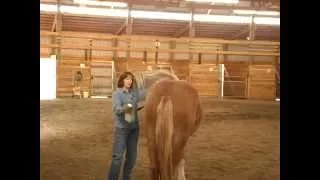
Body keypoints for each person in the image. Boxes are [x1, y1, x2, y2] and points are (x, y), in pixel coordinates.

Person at [107, 71, 145, 180]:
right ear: (122, 80)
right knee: (117, 157)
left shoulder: (135, 92)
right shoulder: (117, 93)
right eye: (127, 79)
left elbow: (146, 93)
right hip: (122, 129)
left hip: (134, 129)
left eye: (131, 79)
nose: (130, 81)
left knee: (132, 157)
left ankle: (126, 177)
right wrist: (127, 107)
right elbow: (117, 109)